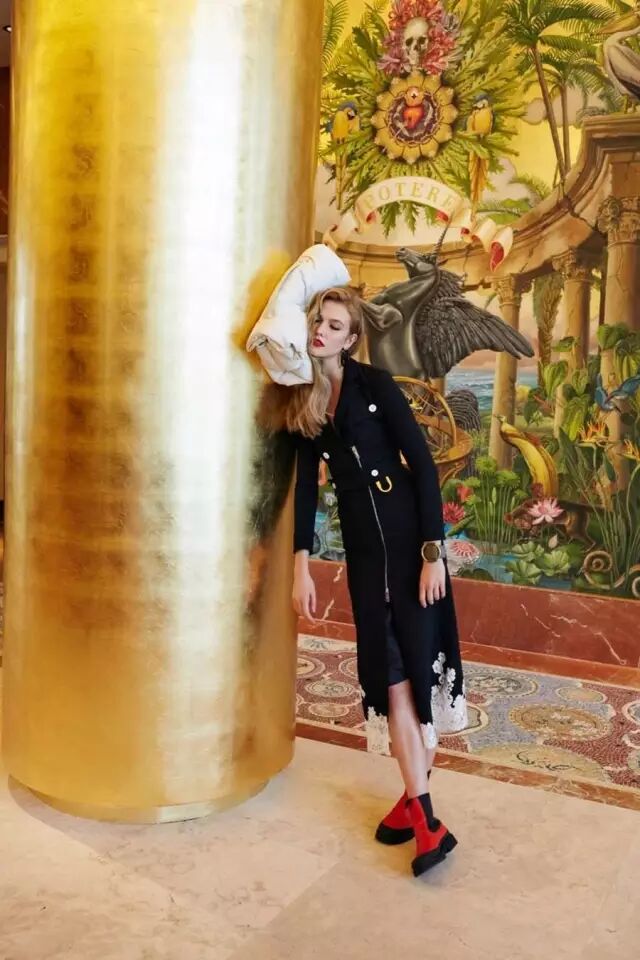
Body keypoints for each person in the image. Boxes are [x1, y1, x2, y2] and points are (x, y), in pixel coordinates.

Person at [287, 286, 467, 878]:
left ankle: (420, 814)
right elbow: (306, 490)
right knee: (388, 674)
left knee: (416, 669)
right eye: (318, 321)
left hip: (410, 540)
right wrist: (301, 566)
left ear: (351, 338)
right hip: (366, 554)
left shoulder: (376, 386)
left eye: (334, 325)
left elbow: (423, 465)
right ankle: (421, 810)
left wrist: (433, 553)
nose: (321, 331)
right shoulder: (305, 401)